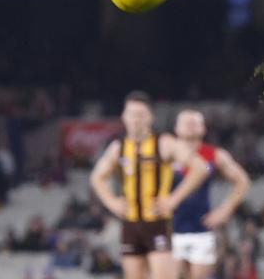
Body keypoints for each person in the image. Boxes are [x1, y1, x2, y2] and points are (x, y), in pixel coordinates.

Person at [90, 91, 211, 279]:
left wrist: (173, 199)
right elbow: (96, 177)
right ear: (124, 116)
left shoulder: (163, 143)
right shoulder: (118, 148)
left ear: (150, 117)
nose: (136, 120)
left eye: (141, 115)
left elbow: (200, 168)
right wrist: (111, 202)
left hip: (157, 223)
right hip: (130, 225)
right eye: (132, 114)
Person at [171, 109, 252, 279]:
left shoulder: (214, 155)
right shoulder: (167, 153)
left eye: (195, 123)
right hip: (170, 228)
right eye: (186, 122)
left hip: (201, 227)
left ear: (203, 129)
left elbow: (242, 180)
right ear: (176, 129)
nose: (191, 126)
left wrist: (225, 210)